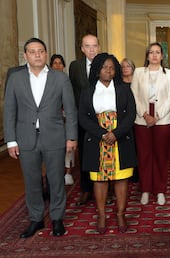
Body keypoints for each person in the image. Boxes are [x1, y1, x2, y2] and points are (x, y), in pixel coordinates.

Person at [3, 37, 77, 238]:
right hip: (25, 138)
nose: (37, 54)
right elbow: (9, 110)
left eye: (40, 51)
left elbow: (70, 110)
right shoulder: (15, 78)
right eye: (32, 51)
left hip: (54, 137)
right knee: (32, 181)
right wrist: (11, 140)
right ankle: (36, 219)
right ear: (25, 55)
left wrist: (71, 136)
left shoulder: (60, 78)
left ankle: (57, 219)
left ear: (45, 54)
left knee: (56, 180)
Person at [78, 53, 137, 234]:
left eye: (112, 67)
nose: (108, 70)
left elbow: (130, 115)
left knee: (121, 177)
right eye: (104, 67)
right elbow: (83, 118)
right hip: (97, 140)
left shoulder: (124, 89)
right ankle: (102, 214)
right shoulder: (87, 91)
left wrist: (116, 133)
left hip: (120, 139)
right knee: (100, 179)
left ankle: (120, 213)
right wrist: (103, 133)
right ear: (97, 70)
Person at [131, 42, 170, 205]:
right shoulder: (138, 72)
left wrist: (156, 116)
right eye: (151, 52)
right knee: (144, 156)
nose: (155, 55)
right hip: (141, 120)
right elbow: (134, 96)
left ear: (162, 56)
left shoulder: (169, 74)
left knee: (160, 156)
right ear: (147, 55)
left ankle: (160, 190)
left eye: (158, 52)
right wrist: (145, 114)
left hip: (163, 120)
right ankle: (145, 189)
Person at [69, 34, 100, 206]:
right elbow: (72, 92)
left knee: (104, 155)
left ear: (99, 47)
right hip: (82, 120)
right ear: (82, 48)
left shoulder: (106, 64)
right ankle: (86, 190)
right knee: (84, 155)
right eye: (87, 46)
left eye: (94, 46)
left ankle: (105, 190)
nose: (91, 49)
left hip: (103, 120)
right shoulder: (75, 66)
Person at [50, 54, 75, 186]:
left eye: (60, 63)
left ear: (64, 66)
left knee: (68, 148)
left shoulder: (67, 81)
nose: (58, 65)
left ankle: (68, 172)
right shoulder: (47, 81)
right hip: (52, 122)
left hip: (65, 119)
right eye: (55, 63)